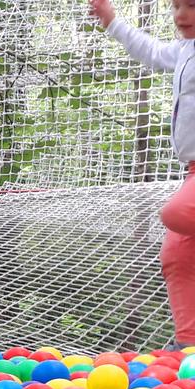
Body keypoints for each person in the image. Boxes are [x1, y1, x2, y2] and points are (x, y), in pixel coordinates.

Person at [91, 0, 195, 346]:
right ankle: (189, 344)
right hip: (192, 170)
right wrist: (112, 22)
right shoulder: (184, 51)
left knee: (176, 212)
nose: (181, 15)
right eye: (176, 6)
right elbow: (150, 51)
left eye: (192, 6)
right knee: (176, 254)